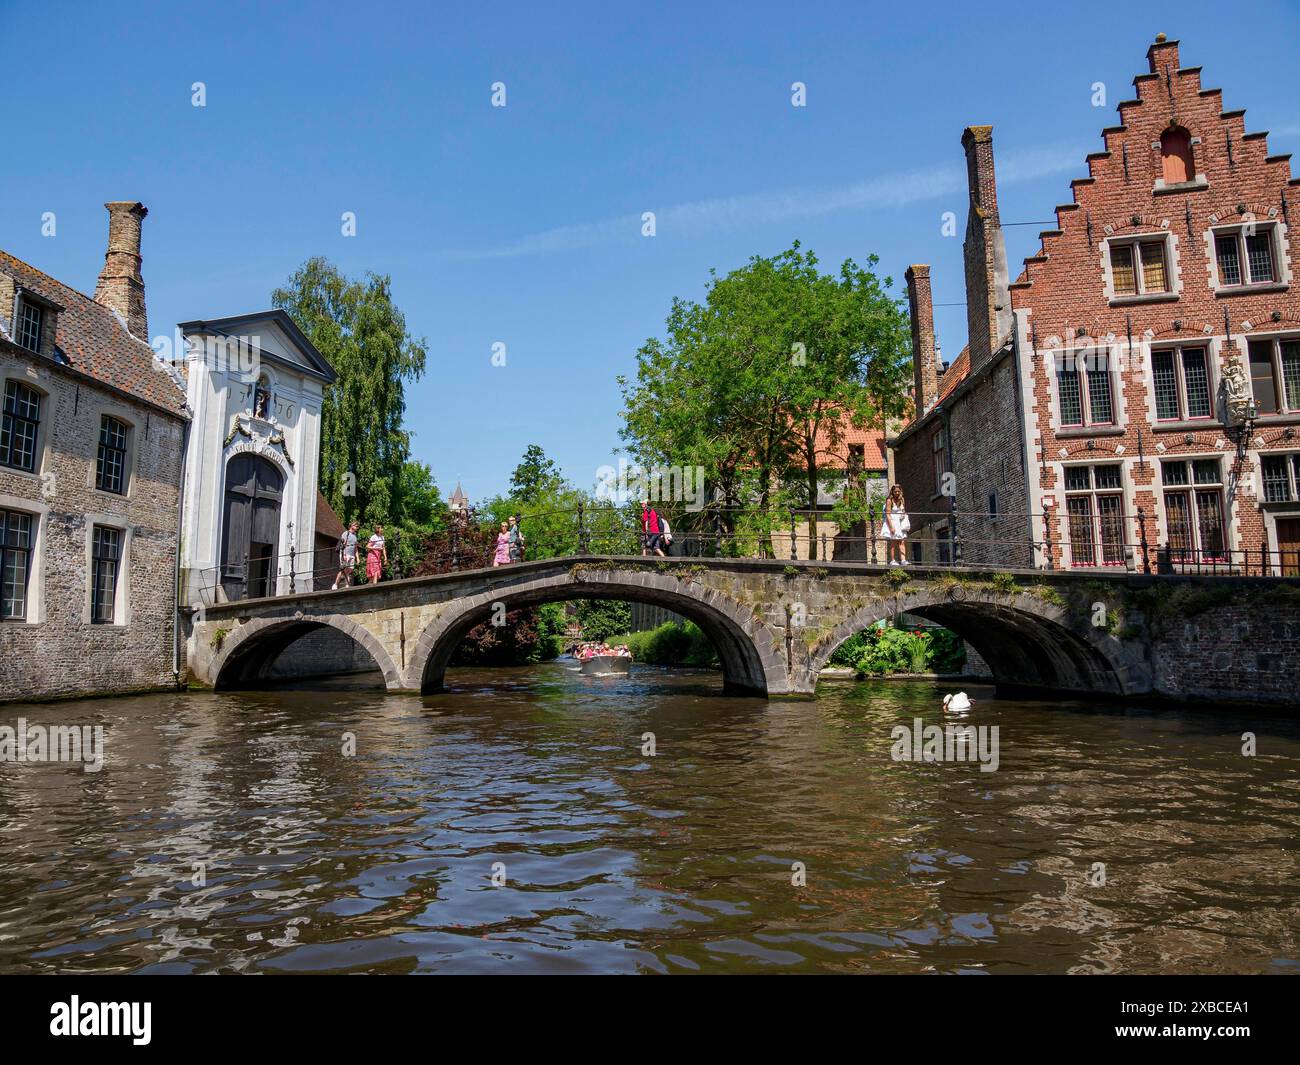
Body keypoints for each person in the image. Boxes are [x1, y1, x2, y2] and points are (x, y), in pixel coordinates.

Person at [883, 484, 910, 566]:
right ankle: (892, 560)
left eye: (898, 491)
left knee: (902, 541)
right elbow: (887, 514)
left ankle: (903, 560)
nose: (897, 493)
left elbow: (903, 510)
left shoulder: (902, 500)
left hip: (900, 522)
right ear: (892, 492)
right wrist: (891, 527)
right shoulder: (889, 501)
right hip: (893, 522)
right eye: (895, 491)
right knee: (894, 542)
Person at [332, 520, 360, 589]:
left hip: (352, 555)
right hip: (345, 554)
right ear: (351, 526)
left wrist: (357, 558)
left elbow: (355, 548)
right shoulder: (346, 533)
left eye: (357, 526)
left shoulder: (355, 536)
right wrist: (343, 555)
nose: (357, 527)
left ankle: (347, 585)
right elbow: (342, 545)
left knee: (349, 571)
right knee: (343, 569)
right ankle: (336, 584)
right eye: (355, 526)